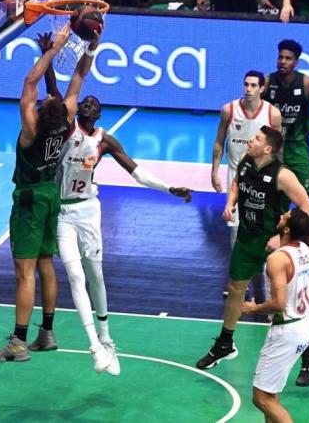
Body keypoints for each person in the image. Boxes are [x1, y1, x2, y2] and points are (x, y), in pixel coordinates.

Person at [36, 32, 192, 375]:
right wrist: (47, 55)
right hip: (62, 211)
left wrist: (170, 189)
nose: (87, 103)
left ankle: (107, 340)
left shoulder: (105, 141)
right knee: (75, 277)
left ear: (100, 112)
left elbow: (137, 172)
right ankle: (95, 348)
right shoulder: (66, 128)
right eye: (85, 102)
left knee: (96, 277)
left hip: (90, 210)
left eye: (93, 102)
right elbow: (55, 93)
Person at [0, 24, 100, 363]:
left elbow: (29, 83)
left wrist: (53, 49)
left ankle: (17, 344)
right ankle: (46, 333)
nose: (50, 95)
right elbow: (78, 76)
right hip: (51, 194)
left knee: (24, 271)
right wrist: (92, 44)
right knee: (47, 263)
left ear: (38, 113)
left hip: (31, 198)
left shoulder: (31, 130)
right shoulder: (66, 123)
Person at [196, 126, 309, 370]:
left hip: (273, 245)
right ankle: (225, 344)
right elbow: (237, 185)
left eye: (257, 138)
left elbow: (307, 208)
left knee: (282, 305)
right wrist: (230, 204)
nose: (251, 140)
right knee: (235, 287)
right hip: (247, 237)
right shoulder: (245, 160)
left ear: (268, 149)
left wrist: (280, 238)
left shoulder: (283, 175)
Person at [264, 39, 309, 386]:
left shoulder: (307, 83)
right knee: (274, 213)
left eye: (288, 58)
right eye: (280, 57)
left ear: (297, 61)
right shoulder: (267, 82)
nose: (283, 62)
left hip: (300, 152)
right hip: (275, 153)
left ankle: (307, 261)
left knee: (303, 214)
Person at [241, 208, 309, 422]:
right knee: (271, 394)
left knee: (261, 399)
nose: (280, 216)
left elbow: (279, 303)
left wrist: (252, 309)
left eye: (284, 216)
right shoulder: (306, 250)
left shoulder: (277, 259)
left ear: (286, 228)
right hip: (304, 325)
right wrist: (299, 305)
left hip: (286, 332)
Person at [211, 70, 282, 248]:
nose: (248, 89)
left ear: (262, 88)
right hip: (235, 173)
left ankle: (267, 266)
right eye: (246, 84)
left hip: (262, 176)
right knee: (234, 223)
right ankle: (238, 265)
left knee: (264, 221)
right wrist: (214, 172)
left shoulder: (273, 114)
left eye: (253, 85)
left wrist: (279, 176)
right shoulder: (229, 110)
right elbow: (219, 142)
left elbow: (278, 149)